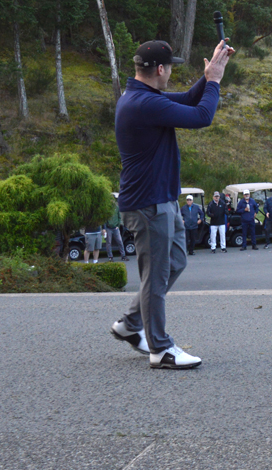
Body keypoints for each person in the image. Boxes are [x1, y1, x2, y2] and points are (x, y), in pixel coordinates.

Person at [110, 38, 233, 370]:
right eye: (171, 69)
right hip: (149, 205)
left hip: (161, 201)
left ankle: (130, 324)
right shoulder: (144, 104)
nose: (171, 75)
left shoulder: (142, 96)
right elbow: (202, 115)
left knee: (175, 261)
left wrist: (209, 75)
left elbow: (190, 99)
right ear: (160, 70)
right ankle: (160, 349)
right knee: (156, 275)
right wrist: (215, 82)